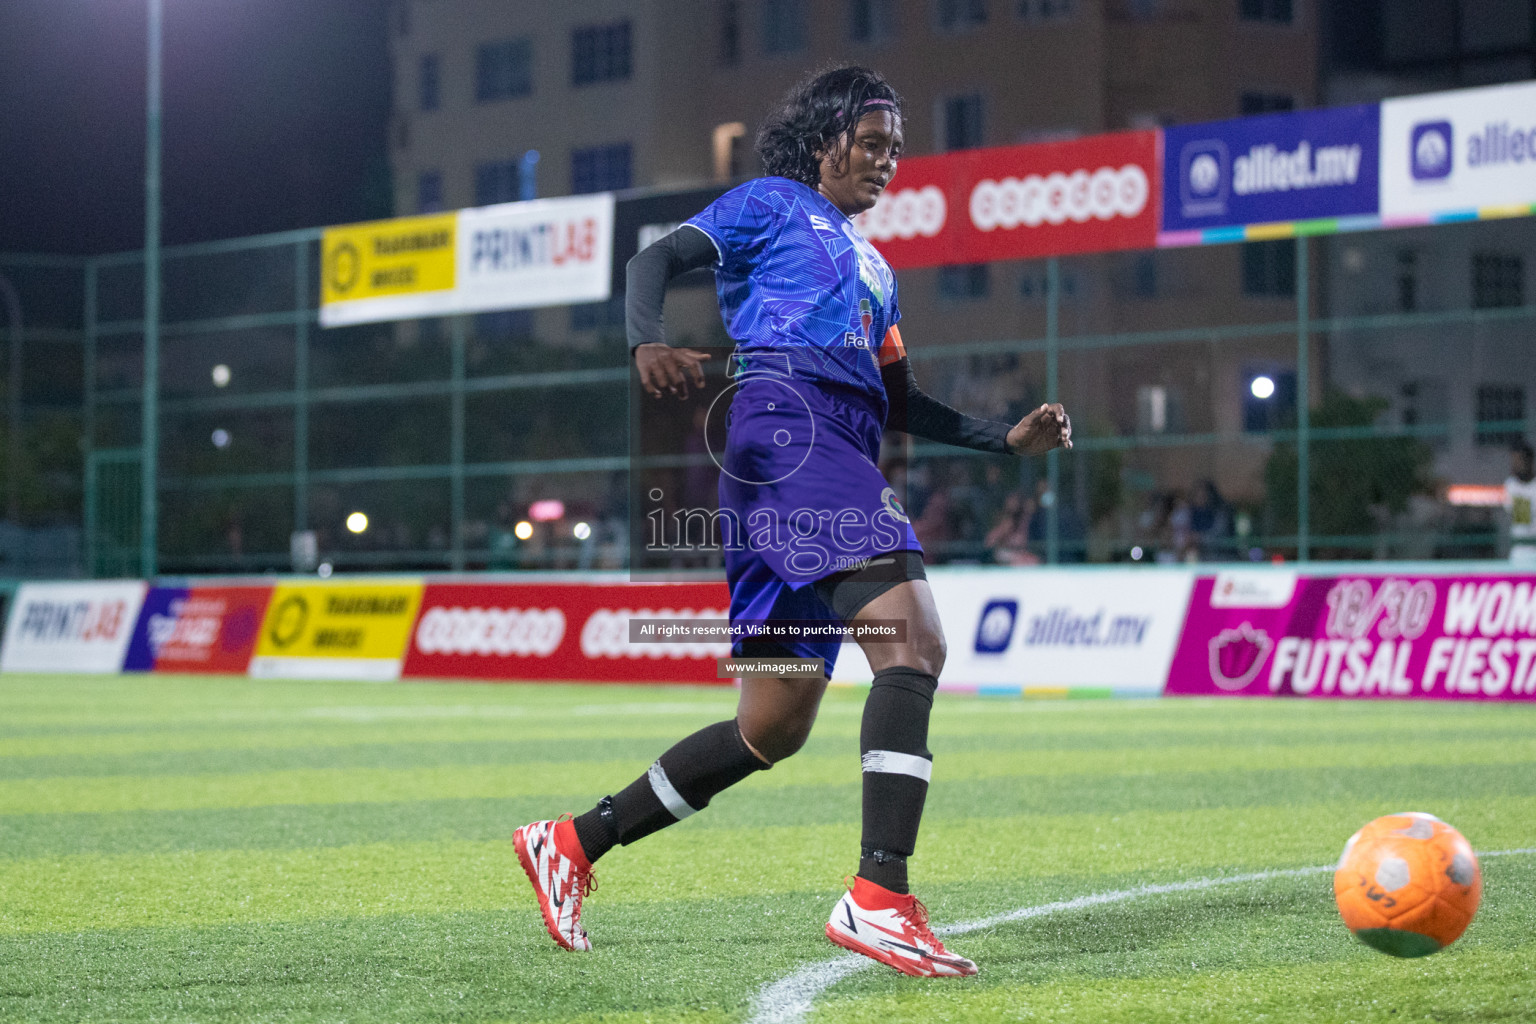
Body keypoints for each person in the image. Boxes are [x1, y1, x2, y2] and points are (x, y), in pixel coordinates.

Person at [512, 66, 1071, 978]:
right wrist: (645, 338)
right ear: (826, 138)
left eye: (897, 150)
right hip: (787, 432)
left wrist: (1004, 441)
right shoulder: (773, 204)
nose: (888, 162)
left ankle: (573, 843)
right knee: (914, 644)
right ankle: (879, 898)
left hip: (812, 458)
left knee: (769, 727)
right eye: (874, 142)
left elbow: (903, 401)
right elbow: (652, 260)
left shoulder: (878, 273)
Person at [1504, 440, 1536, 566]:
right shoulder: (1511, 485)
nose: (1516, 464)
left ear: (1529, 461)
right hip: (1520, 551)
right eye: (1514, 460)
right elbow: (1522, 517)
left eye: (1519, 460)